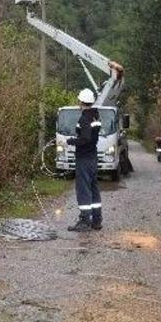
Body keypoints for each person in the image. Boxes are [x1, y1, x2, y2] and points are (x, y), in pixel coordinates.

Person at [67, 88, 102, 232]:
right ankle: (96, 220)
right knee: (93, 189)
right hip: (92, 157)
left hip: (84, 159)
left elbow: (85, 138)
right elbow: (91, 138)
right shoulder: (95, 117)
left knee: (83, 190)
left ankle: (85, 221)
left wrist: (71, 141)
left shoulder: (84, 118)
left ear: (81, 102)